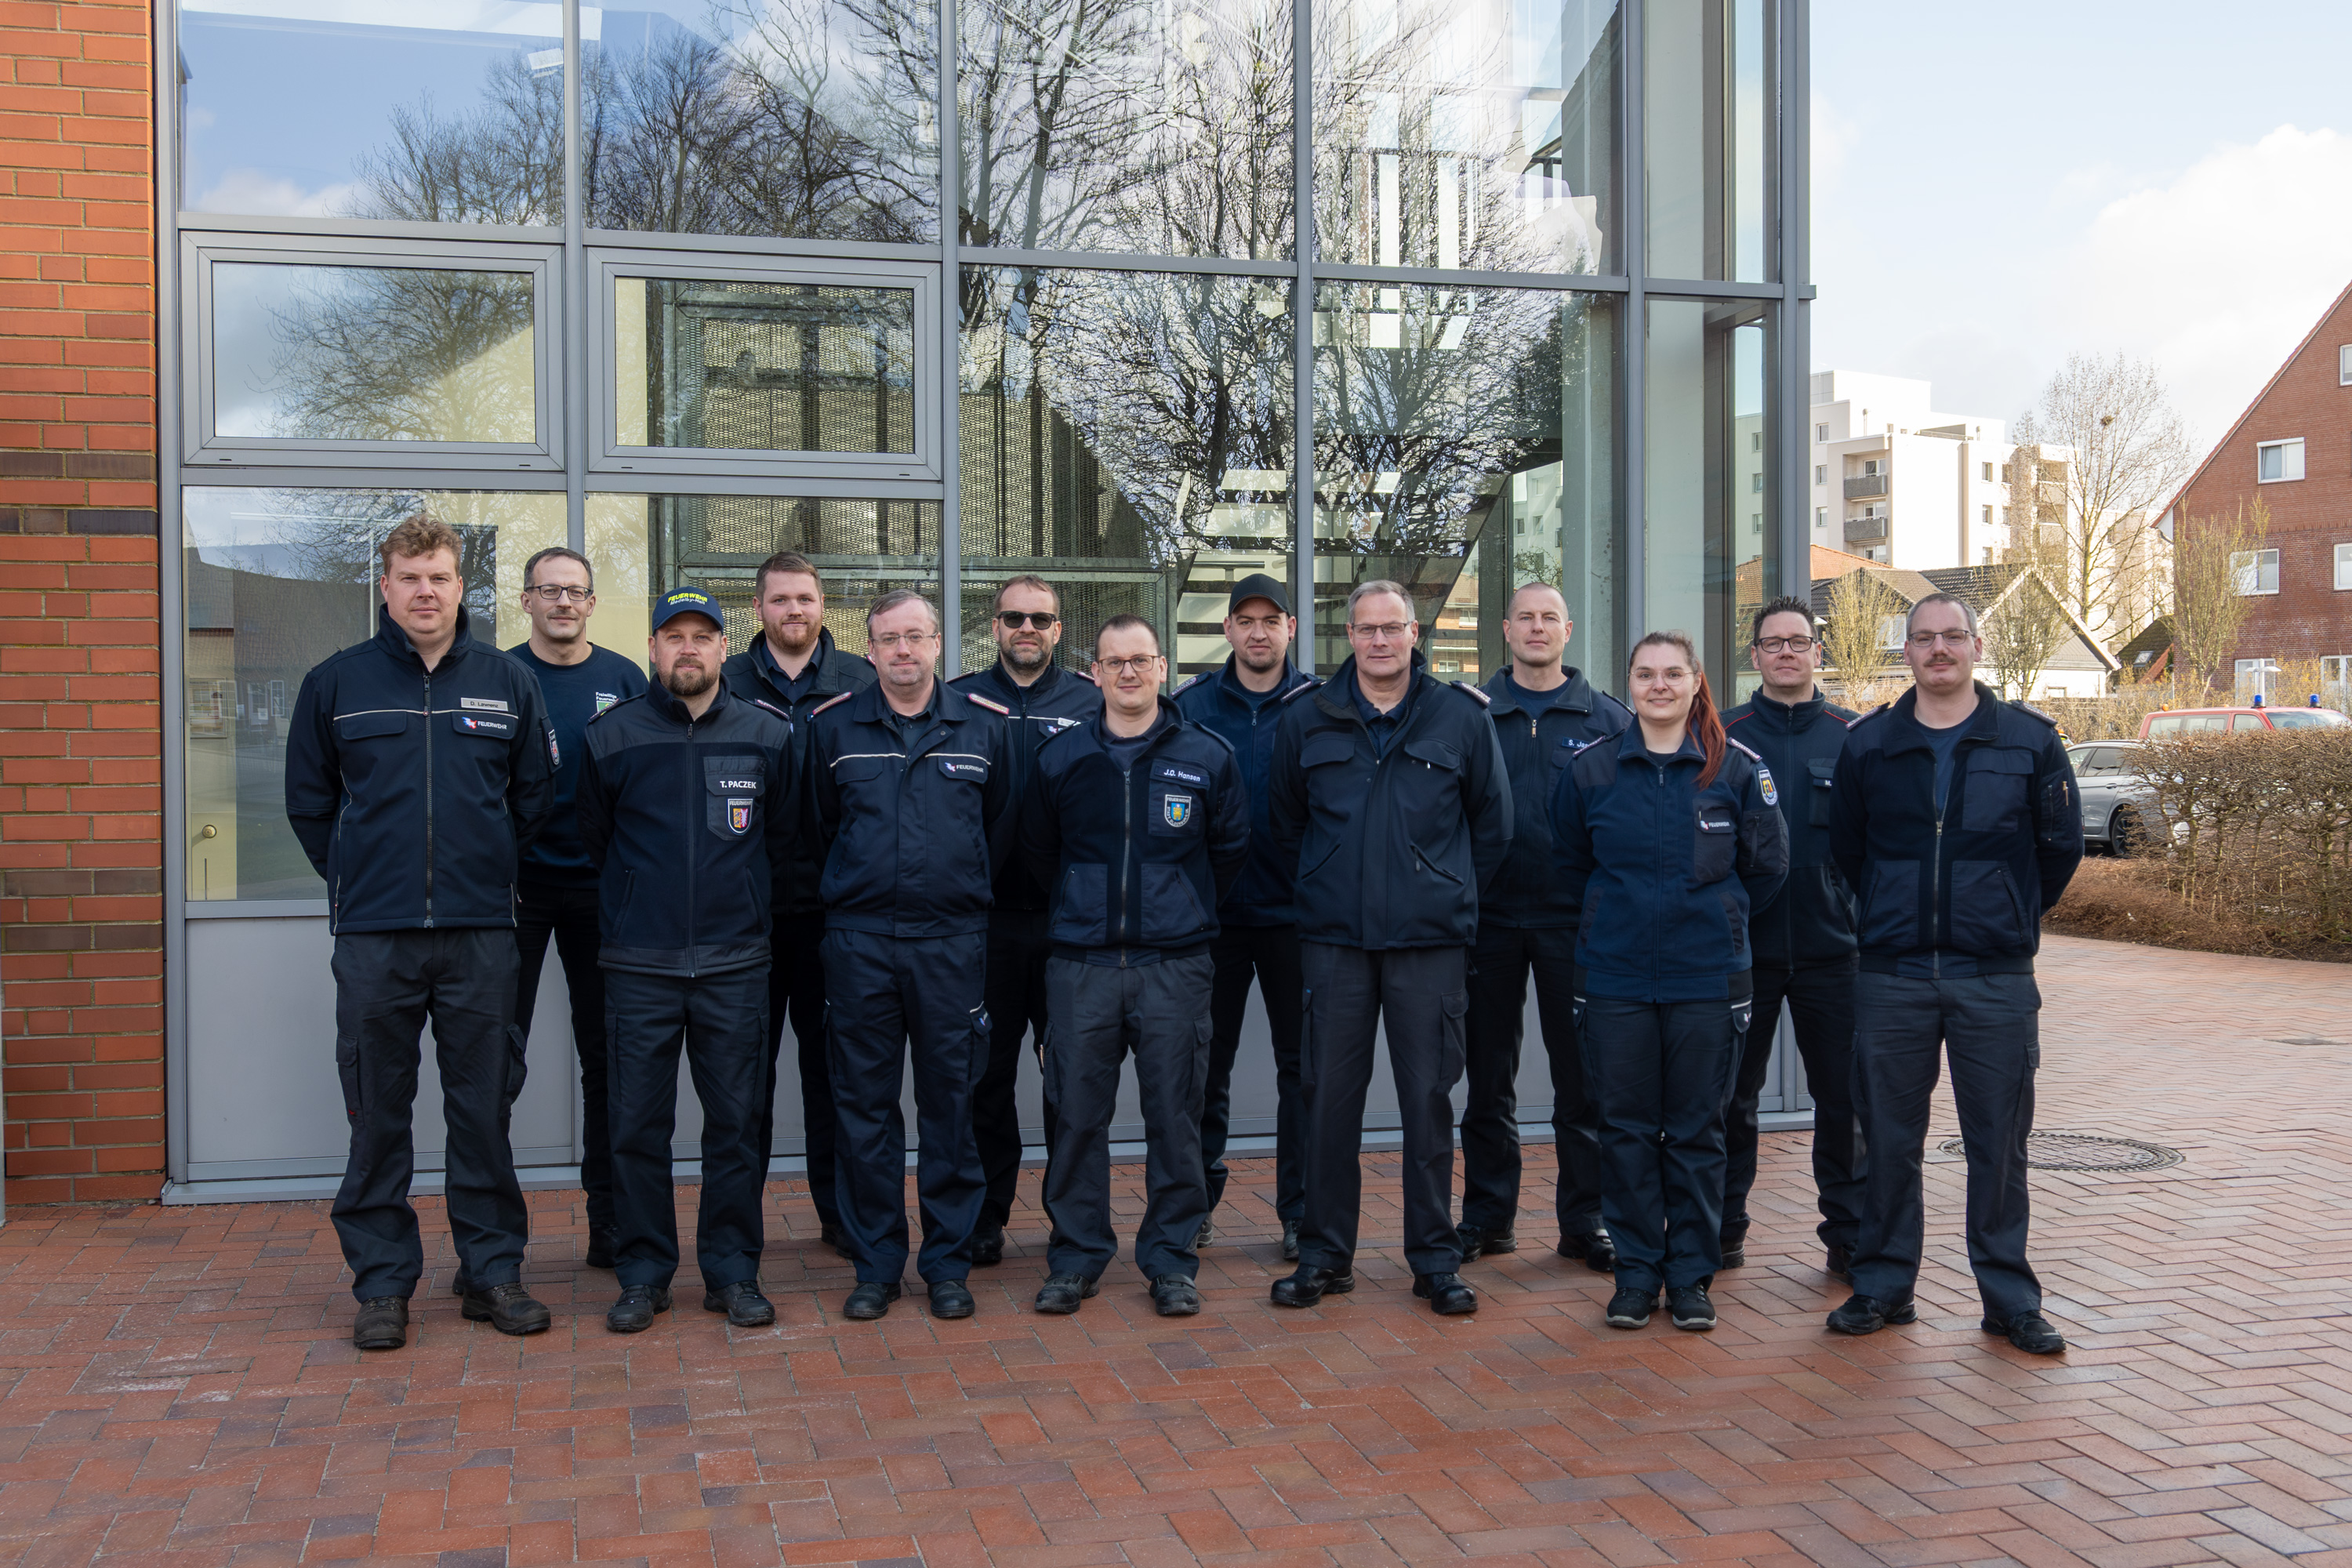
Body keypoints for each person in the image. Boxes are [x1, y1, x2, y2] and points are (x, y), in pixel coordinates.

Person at [283, 513, 557, 1352]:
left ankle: (490, 1272)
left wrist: (485, 869)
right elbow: (310, 802)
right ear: (386, 586)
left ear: (460, 584)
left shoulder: (507, 681)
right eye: (411, 577)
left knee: (482, 1111)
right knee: (378, 1113)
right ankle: (383, 1284)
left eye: (440, 575)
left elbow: (533, 796)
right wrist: (364, 879)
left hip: (480, 934)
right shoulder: (338, 683)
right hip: (376, 937)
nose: (426, 591)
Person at [1827, 592, 2082, 1355]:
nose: (1939, 649)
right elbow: (1846, 851)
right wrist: (1886, 915)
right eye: (1923, 638)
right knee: (1887, 1137)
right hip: (1893, 973)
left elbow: (2058, 850)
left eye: (1952, 636)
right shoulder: (1869, 743)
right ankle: (1881, 1284)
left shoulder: (2029, 741)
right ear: (1905, 651)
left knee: (1998, 1142)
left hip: (1994, 975)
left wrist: (2005, 912)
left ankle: (2008, 1298)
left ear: (1976, 645)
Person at [1266, 579, 1512, 1317]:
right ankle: (1324, 1257)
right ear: (1349, 635)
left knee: (1428, 1107)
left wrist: (1442, 891)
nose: (1379, 641)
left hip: (1427, 948)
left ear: (1415, 634)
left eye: (1392, 628)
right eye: (1366, 629)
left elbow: (1492, 830)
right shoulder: (1307, 717)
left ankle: (1435, 1260)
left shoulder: (1460, 717)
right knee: (1326, 1106)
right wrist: (1324, 885)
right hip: (1335, 945)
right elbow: (1284, 827)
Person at [1554, 630, 1787, 1334]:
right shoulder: (1591, 771)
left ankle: (1690, 1279)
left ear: (1695, 683)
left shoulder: (1737, 770)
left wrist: (1714, 921)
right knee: (1623, 1132)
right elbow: (1569, 865)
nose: (1659, 685)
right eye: (1646, 674)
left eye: (1673, 674)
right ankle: (1634, 1277)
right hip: (1617, 980)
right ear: (1629, 684)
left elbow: (1768, 872)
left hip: (1707, 982)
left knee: (1696, 1133)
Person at [576, 588, 794, 1334]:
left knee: (736, 1126)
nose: (689, 649)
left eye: (704, 636)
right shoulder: (612, 737)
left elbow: (789, 842)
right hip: (640, 964)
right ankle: (643, 1274)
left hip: (737, 964)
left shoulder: (769, 735)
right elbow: (594, 840)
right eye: (675, 636)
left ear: (723, 648)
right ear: (653, 647)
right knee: (637, 1127)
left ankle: (733, 1273)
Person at [1020, 615, 1248, 1317]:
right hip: (1081, 966)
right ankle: (1077, 1257)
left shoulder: (1206, 756)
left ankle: (1171, 1260)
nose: (1126, 673)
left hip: (1173, 966)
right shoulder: (1061, 759)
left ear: (1162, 667)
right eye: (1113, 661)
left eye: (1139, 661)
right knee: (1077, 1116)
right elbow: (1037, 854)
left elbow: (1229, 851)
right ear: (1094, 673)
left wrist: (1176, 907)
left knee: (1175, 1117)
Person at [811, 590, 1014, 1320]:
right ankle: (876, 1265)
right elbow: (815, 829)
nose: (903, 651)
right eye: (888, 640)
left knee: (950, 1110)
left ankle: (948, 1265)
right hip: (860, 946)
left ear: (938, 645)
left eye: (916, 638)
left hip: (951, 946)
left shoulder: (984, 730)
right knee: (864, 1112)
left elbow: (1004, 830)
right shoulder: (834, 730)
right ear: (868, 651)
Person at [1454, 583, 1630, 1274]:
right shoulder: (1467, 715)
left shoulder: (1610, 719)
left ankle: (1585, 1222)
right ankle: (1486, 1217)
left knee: (1583, 1081)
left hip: (1575, 925)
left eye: (1548, 617)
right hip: (1487, 921)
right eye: (1524, 617)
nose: (1536, 628)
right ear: (1504, 629)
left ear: (1568, 628)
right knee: (1486, 1079)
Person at [720, 551, 876, 1256]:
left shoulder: (858, 682)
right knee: (743, 1086)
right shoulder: (725, 683)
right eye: (780, 600)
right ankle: (739, 1229)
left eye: (805, 599)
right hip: (743, 919)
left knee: (833, 1077)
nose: (794, 611)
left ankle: (840, 1219)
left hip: (831, 917)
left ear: (823, 607)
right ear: (759, 609)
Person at [949, 576, 1103, 1266]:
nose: (1027, 628)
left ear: (1059, 630)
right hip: (986, 925)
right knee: (987, 1078)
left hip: (1070, 927)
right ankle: (987, 1217)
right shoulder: (958, 699)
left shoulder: (1090, 701)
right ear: (996, 625)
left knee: (1069, 1079)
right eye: (1014, 617)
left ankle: (1071, 1222)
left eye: (1040, 618)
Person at [500, 546, 644, 1277]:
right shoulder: (495, 677)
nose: (562, 602)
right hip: (515, 893)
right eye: (548, 590)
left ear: (591, 603)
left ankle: (610, 1226)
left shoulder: (624, 679)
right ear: (526, 600)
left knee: (608, 1062)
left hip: (600, 892)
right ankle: (493, 1245)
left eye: (576, 591)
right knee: (494, 1062)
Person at [1171, 573, 1318, 1259]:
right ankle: (1194, 1205)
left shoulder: (1322, 707)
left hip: (1300, 917)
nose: (1258, 631)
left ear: (1291, 628)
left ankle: (1301, 1212)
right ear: (1226, 629)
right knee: (1205, 1069)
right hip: (1215, 919)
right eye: (1245, 619)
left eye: (1271, 619)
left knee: (1306, 1071)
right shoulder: (1191, 707)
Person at [1720, 597, 1865, 1283]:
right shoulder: (1720, 736)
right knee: (1728, 1101)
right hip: (1740, 956)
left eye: (1797, 642)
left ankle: (1851, 1237)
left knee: (1846, 1103)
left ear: (1816, 651)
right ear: (1754, 655)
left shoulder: (1856, 738)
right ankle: (1721, 1231)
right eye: (1772, 644)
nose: (1785, 653)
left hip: (1835, 953)